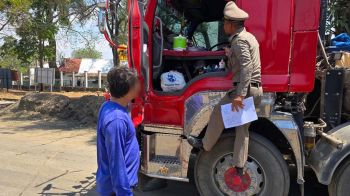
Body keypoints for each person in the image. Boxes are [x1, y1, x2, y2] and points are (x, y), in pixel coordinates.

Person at [187, 1, 263, 176]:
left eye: (225, 23)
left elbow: (247, 68)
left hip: (245, 90)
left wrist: (240, 96)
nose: (223, 27)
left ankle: (205, 144)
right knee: (242, 130)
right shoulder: (248, 37)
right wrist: (230, 56)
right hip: (255, 89)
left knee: (218, 112)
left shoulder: (239, 41)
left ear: (231, 24)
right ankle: (239, 166)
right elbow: (243, 64)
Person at [96, 66, 141, 196]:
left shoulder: (111, 106)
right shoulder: (116, 120)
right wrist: (125, 193)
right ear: (129, 90)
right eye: (136, 83)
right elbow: (116, 163)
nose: (140, 86)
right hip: (117, 190)